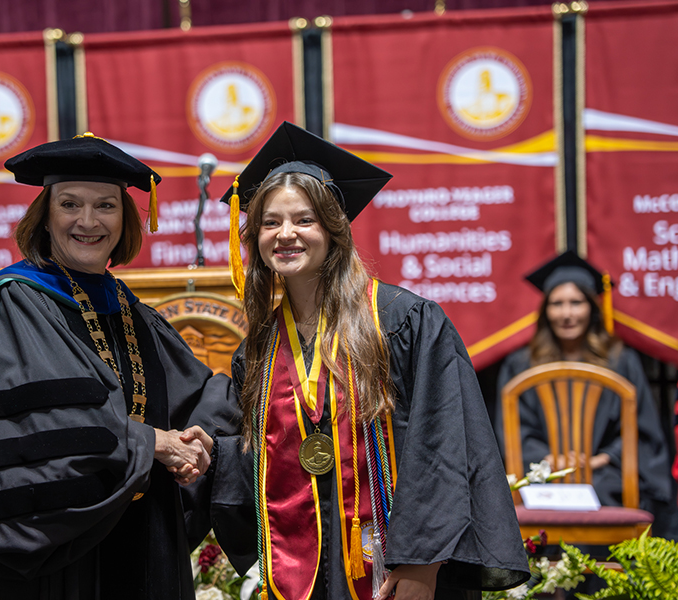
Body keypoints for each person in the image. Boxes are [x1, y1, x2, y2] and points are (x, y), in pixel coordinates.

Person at [194, 122, 529, 600]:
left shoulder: (402, 321)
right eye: (270, 222)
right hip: (304, 570)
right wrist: (207, 453)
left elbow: (443, 443)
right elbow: (259, 457)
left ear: (333, 229)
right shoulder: (259, 349)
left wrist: (422, 564)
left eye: (304, 220)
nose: (285, 234)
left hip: (397, 567)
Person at [0, 133, 238, 599]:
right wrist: (151, 443)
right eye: (70, 204)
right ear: (45, 217)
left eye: (105, 206)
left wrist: (199, 442)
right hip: (58, 563)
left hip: (142, 542)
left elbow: (196, 396)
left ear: (124, 219)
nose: (88, 221)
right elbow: (46, 431)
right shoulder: (16, 303)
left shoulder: (130, 309)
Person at [496, 251, 677, 539]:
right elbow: (513, 431)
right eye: (557, 304)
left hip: (605, 473)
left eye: (576, 303)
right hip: (543, 474)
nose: (567, 314)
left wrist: (598, 460)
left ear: (592, 308)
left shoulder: (620, 361)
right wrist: (549, 460)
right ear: (545, 311)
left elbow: (641, 430)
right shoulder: (521, 364)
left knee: (605, 489)